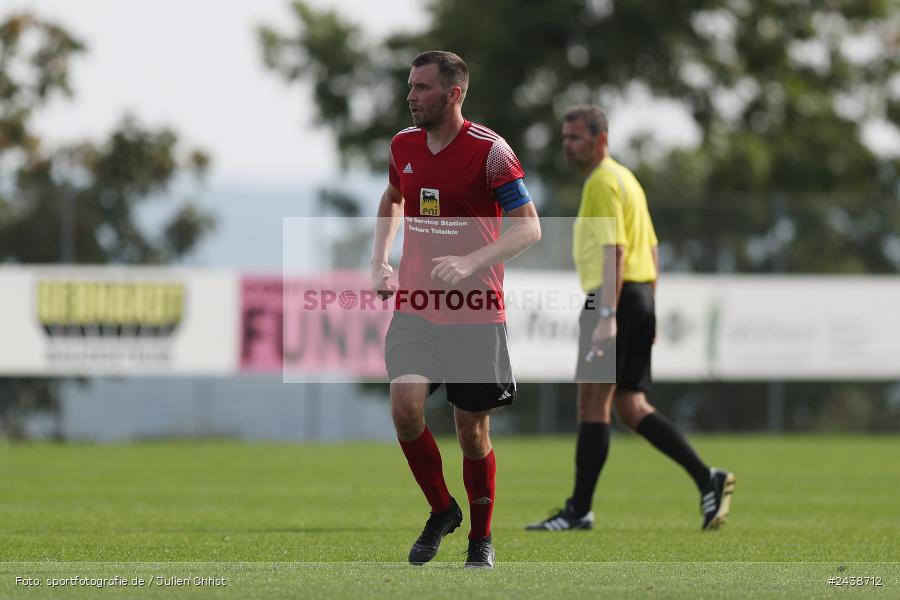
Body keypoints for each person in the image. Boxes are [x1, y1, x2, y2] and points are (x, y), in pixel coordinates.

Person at [525, 105, 734, 532]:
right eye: (565, 137)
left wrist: (606, 313)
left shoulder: (602, 182)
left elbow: (614, 251)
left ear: (601, 140)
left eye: (576, 137)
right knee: (630, 406)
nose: (568, 145)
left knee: (592, 403)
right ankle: (706, 477)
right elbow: (652, 250)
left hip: (612, 299)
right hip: (637, 297)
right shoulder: (627, 179)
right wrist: (648, 309)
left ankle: (578, 511)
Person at [371, 50, 541, 568]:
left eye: (422, 87)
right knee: (405, 410)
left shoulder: (491, 152)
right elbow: (393, 198)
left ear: (454, 93)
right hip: (416, 305)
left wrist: (471, 261)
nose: (411, 96)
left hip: (476, 311)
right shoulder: (403, 145)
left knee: (472, 432)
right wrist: (379, 261)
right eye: (410, 86)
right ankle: (442, 509)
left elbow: (529, 227)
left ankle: (480, 540)